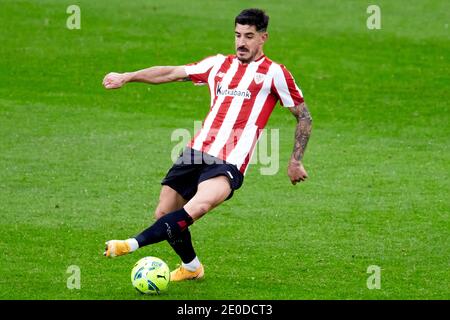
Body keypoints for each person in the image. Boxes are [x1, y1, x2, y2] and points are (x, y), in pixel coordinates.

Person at [101, 8, 312, 282]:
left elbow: (303, 116)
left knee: (196, 208)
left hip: (229, 161)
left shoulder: (275, 73)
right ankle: (191, 268)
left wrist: (295, 160)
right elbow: (171, 73)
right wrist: (128, 76)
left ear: (263, 38)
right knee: (164, 212)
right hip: (196, 151)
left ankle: (130, 244)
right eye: (237, 35)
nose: (241, 42)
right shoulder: (217, 64)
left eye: (249, 36)